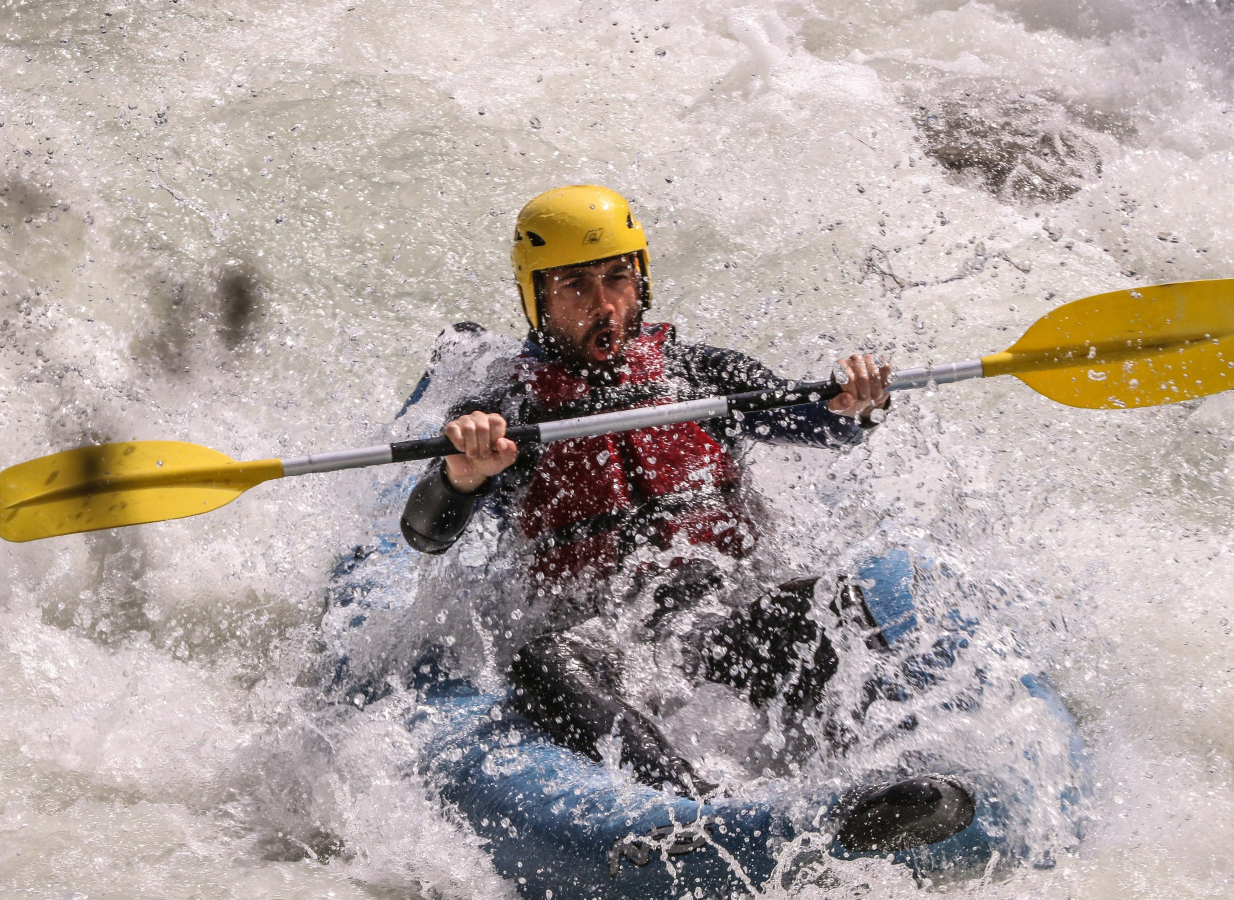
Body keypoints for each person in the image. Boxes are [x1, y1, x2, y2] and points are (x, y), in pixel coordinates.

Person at [401, 185, 973, 848]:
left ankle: (870, 786)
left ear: (641, 278)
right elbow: (425, 533)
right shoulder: (508, 407)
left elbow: (818, 424)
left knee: (824, 602)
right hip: (601, 636)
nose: (604, 305)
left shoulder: (698, 372)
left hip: (720, 617)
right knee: (544, 662)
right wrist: (463, 473)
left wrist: (855, 404)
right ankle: (693, 811)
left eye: (618, 279)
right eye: (575, 287)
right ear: (537, 298)